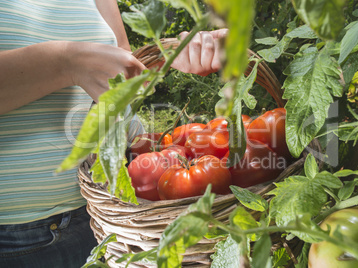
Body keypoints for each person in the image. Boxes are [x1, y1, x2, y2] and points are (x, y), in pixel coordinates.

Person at [0, 0, 226, 267]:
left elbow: (124, 71)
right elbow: (83, 63)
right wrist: (66, 62)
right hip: (21, 238)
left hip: (120, 213)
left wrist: (177, 52)